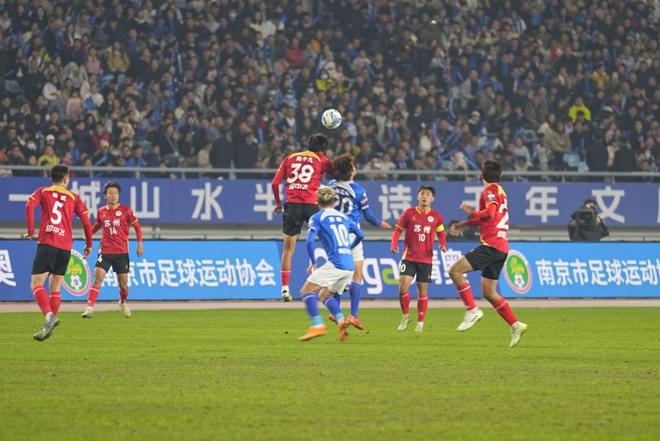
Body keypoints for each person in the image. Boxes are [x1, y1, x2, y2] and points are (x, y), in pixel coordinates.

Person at [448, 160, 528, 348]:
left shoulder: (489, 191)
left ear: (481, 175)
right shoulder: (501, 192)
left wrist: (471, 212)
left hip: (491, 246)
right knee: (490, 293)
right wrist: (465, 223)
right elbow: (488, 218)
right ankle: (516, 325)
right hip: (501, 248)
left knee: (455, 271)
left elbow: (490, 213)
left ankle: (472, 310)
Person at [24, 165, 93, 341]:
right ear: (66, 179)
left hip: (48, 242)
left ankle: (49, 316)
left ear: (52, 177)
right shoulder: (74, 197)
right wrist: (89, 244)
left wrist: (31, 231)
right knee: (55, 288)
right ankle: (48, 326)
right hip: (65, 247)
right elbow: (87, 223)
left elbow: (29, 206)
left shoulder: (43, 191)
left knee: (36, 284)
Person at [329, 154, 391, 329]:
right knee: (357, 274)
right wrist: (380, 223)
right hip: (351, 233)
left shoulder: (330, 186)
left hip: (334, 234)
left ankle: (335, 311)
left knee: (339, 272)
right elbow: (368, 216)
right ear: (351, 172)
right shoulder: (358, 190)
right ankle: (353, 315)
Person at [271, 133, 332, 301]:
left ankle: (285, 289)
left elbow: (275, 183)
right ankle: (334, 281)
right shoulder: (321, 159)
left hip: (292, 205)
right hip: (312, 205)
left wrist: (278, 203)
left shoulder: (290, 158)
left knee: (288, 249)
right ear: (322, 150)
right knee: (328, 241)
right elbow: (337, 172)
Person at [299, 187, 364, 342]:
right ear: (334, 201)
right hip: (349, 265)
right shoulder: (344, 217)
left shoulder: (317, 217)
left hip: (336, 263)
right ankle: (341, 321)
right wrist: (349, 247)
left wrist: (313, 261)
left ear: (317, 201)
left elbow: (309, 241)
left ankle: (317, 325)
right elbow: (360, 234)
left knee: (306, 291)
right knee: (324, 295)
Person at [81, 182, 144, 319]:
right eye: (110, 193)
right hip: (104, 251)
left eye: (115, 193)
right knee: (97, 278)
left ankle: (122, 302)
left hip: (121, 252)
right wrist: (88, 234)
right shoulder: (101, 211)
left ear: (118, 195)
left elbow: (137, 228)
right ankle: (89, 308)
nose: (113, 195)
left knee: (123, 286)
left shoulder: (126, 211)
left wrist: (140, 245)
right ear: (105, 196)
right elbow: (97, 225)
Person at [390, 186, 447, 333]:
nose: (424, 196)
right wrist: (394, 244)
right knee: (403, 287)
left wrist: (443, 244)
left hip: (426, 259)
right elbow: (398, 230)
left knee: (422, 291)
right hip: (409, 257)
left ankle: (420, 322)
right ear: (417, 197)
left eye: (427, 194)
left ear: (432, 198)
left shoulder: (436, 216)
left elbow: (441, 233)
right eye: (422, 194)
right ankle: (405, 316)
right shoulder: (409, 213)